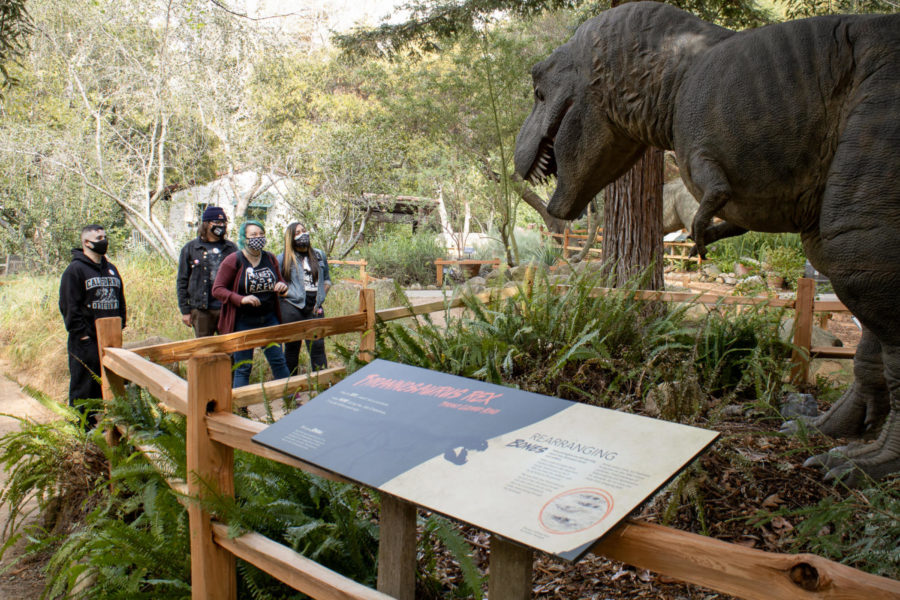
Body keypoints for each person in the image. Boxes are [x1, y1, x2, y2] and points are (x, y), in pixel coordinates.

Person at [58, 224, 126, 427]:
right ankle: (82, 432)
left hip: (111, 339)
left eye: (105, 236)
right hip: (85, 341)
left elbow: (120, 299)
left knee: (111, 387)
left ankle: (111, 431)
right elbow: (69, 306)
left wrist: (121, 323)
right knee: (84, 388)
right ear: (86, 243)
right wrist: (83, 336)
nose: (103, 240)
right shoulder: (75, 270)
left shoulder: (111, 269)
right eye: (98, 238)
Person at [212, 220, 291, 388]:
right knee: (243, 366)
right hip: (243, 321)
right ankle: (241, 408)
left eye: (261, 234)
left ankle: (291, 399)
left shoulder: (270, 258)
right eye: (253, 235)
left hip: (269, 319)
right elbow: (217, 289)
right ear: (244, 238)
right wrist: (240, 299)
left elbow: (280, 281)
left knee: (278, 361)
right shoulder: (233, 260)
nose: (258, 237)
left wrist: (281, 286)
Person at [277, 223, 332, 373]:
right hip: (292, 306)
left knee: (317, 346)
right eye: (297, 233)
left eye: (304, 231)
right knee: (292, 347)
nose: (303, 234)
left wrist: (321, 296)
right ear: (290, 238)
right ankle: (292, 389)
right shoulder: (283, 258)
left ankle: (322, 385)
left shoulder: (319, 255)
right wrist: (285, 293)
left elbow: (327, 279)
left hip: (314, 306)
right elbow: (277, 283)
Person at [176, 205, 238, 337]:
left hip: (226, 307)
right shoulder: (191, 248)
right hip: (201, 309)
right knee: (204, 350)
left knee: (230, 349)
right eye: (216, 222)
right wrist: (185, 311)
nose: (221, 226)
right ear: (206, 224)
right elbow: (182, 280)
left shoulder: (231, 248)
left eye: (223, 223)